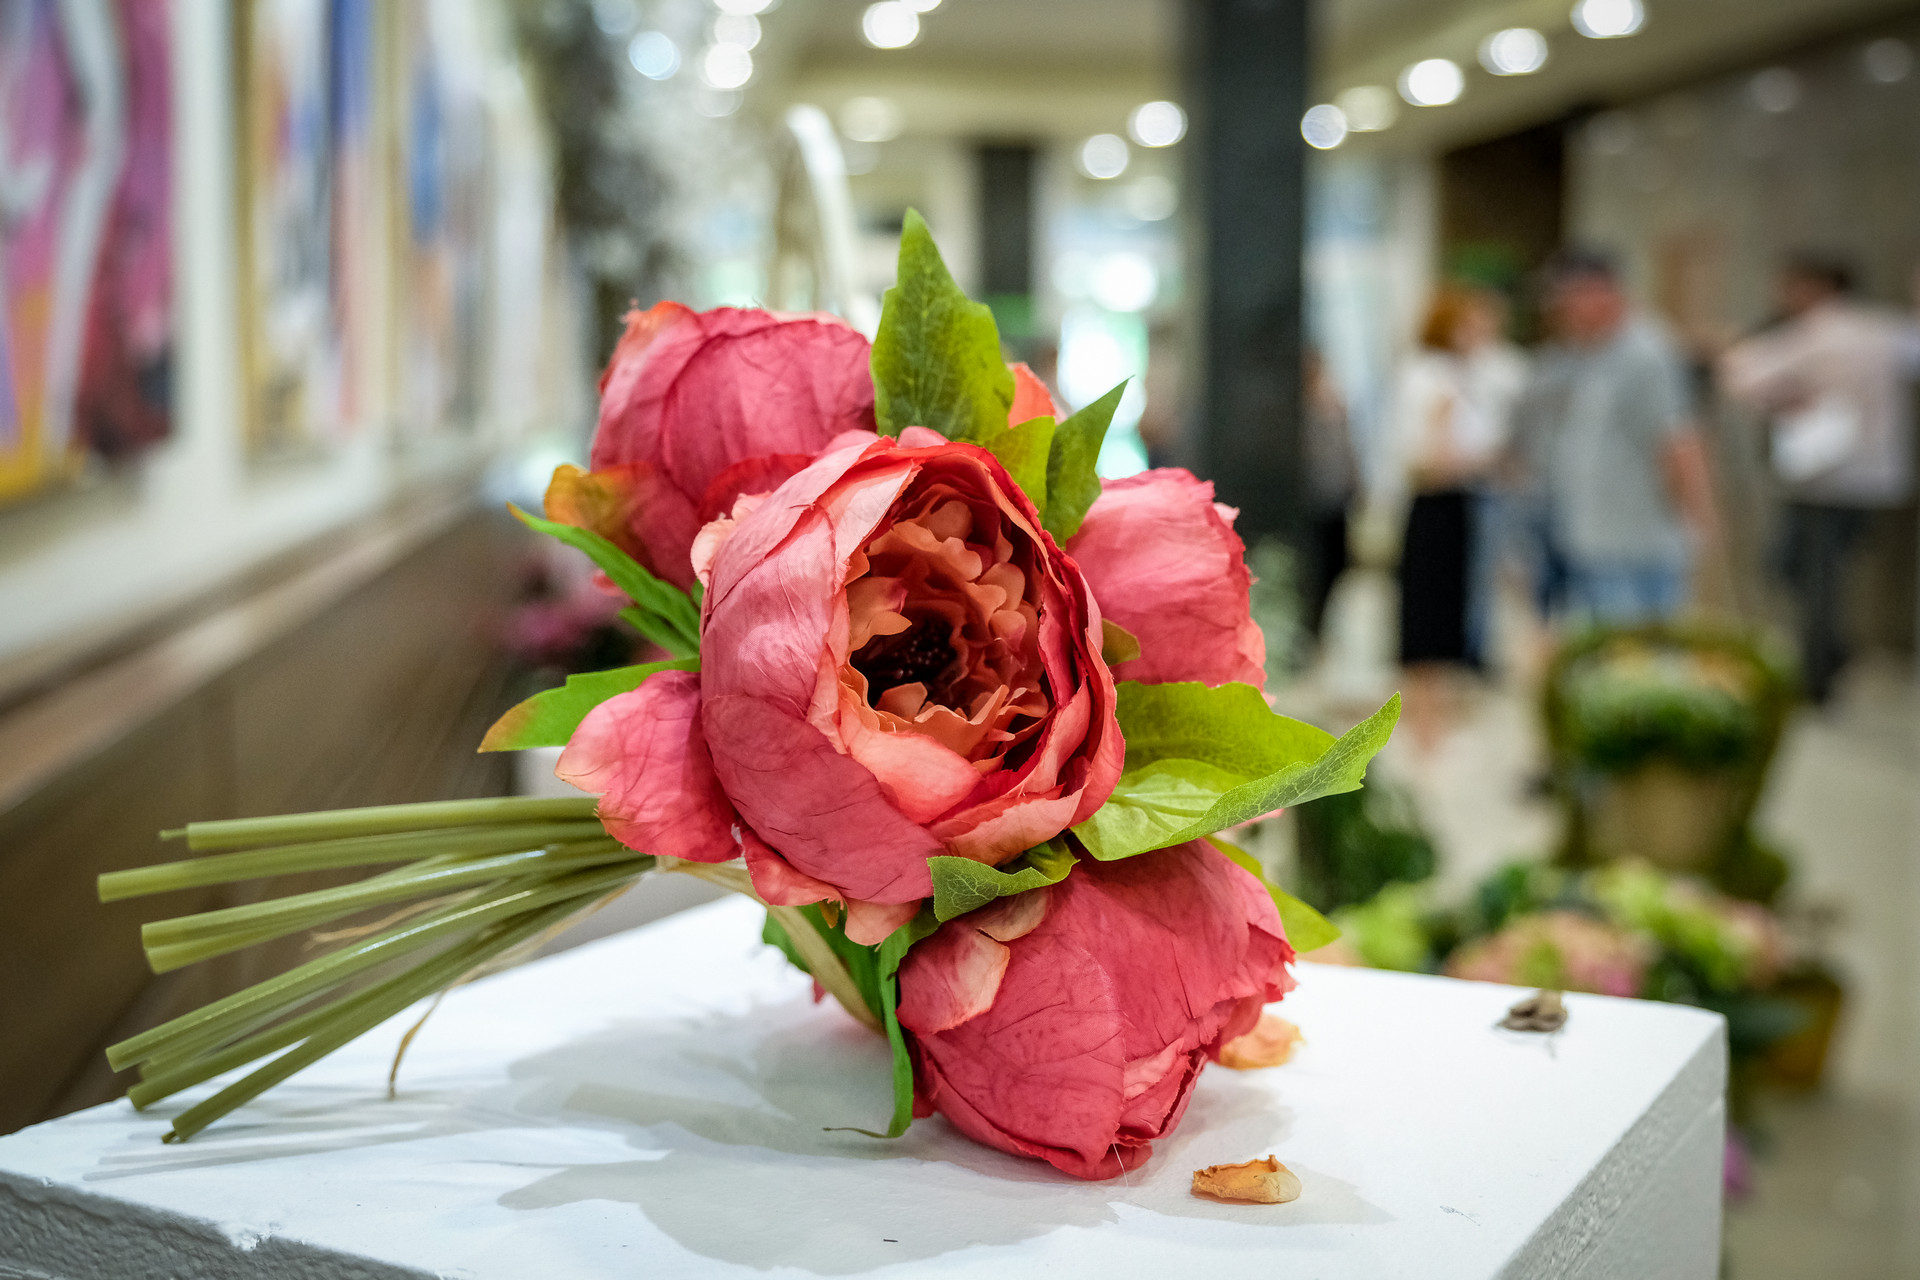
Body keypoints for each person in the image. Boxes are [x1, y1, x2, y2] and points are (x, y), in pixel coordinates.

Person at [1718, 254, 1919, 703]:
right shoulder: (1881, 330)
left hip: (1822, 478)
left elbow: (1743, 375)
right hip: (1873, 481)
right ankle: (1831, 652)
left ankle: (1821, 667)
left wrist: (1736, 354)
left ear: (1819, 288)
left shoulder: (1815, 333)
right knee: (1820, 572)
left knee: (1809, 573)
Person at [1514, 250, 1717, 627]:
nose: (1561, 311)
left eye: (1568, 299)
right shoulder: (1586, 352)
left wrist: (1696, 517)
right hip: (1590, 538)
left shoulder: (1647, 354)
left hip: (1638, 541)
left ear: (1601, 292)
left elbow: (1677, 441)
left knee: (1636, 650)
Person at [1389, 285, 1526, 744]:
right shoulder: (1435, 378)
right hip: (1438, 504)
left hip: (1454, 503)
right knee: (1430, 615)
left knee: (1448, 614)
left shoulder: (1463, 375)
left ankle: (1436, 719)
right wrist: (1491, 460)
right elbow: (1434, 459)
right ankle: (1427, 725)